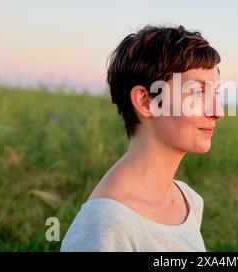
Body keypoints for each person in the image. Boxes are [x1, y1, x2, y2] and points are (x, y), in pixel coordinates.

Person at [61, 25, 224, 251]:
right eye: (197, 92)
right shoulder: (106, 225)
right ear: (146, 102)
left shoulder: (188, 202)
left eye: (215, 93)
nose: (218, 111)